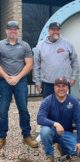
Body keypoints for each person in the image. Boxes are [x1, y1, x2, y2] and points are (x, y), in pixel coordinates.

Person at [0, 21, 38, 149]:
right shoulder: (0, 45)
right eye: (10, 29)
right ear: (6, 31)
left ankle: (26, 136)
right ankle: (1, 137)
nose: (13, 31)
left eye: (15, 29)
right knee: (2, 110)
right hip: (4, 82)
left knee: (23, 109)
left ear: (18, 31)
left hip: (20, 82)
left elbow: (29, 64)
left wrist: (17, 78)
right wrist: (7, 77)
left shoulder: (25, 45)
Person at [37, 77, 80, 162]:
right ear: (54, 88)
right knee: (45, 131)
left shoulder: (73, 101)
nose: (61, 89)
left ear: (67, 88)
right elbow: (40, 118)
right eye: (58, 86)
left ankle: (63, 149)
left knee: (78, 152)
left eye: (63, 86)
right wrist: (55, 124)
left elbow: (79, 121)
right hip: (52, 131)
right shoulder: (48, 100)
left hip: (66, 133)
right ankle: (49, 156)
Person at [33, 22, 79, 98]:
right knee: (49, 107)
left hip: (64, 83)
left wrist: (73, 77)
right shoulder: (40, 45)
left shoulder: (68, 44)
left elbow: (75, 62)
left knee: (65, 107)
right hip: (47, 83)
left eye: (58, 30)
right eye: (53, 29)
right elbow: (36, 65)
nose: (56, 32)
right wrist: (37, 81)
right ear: (49, 31)